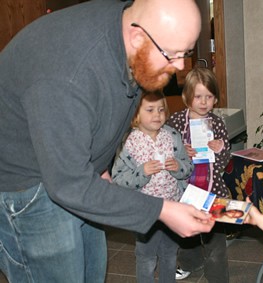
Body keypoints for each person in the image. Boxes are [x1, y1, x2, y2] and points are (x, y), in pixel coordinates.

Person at [0, 0, 214, 282]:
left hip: (74, 166)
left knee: (91, 269)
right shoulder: (67, 76)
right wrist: (162, 210)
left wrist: (101, 164)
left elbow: (111, 103)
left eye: (185, 53)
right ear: (137, 37)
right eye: (172, 54)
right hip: (26, 183)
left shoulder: (127, 29)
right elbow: (69, 184)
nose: (179, 66)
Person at [112, 91, 193, 283]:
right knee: (146, 256)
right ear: (136, 114)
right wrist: (142, 172)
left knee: (170, 253)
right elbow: (118, 179)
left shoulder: (171, 136)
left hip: (172, 206)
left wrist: (178, 167)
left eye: (161, 109)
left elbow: (187, 167)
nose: (157, 114)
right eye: (150, 110)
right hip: (145, 210)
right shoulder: (128, 142)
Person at [167, 67, 231, 282]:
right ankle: (189, 263)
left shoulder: (218, 124)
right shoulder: (175, 122)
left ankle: (218, 277)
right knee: (187, 234)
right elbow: (166, 153)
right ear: (187, 97)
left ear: (215, 99)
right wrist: (180, 150)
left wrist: (220, 148)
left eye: (209, 97)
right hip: (185, 190)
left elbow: (223, 162)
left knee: (215, 238)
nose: (203, 102)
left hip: (214, 189)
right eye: (198, 96)